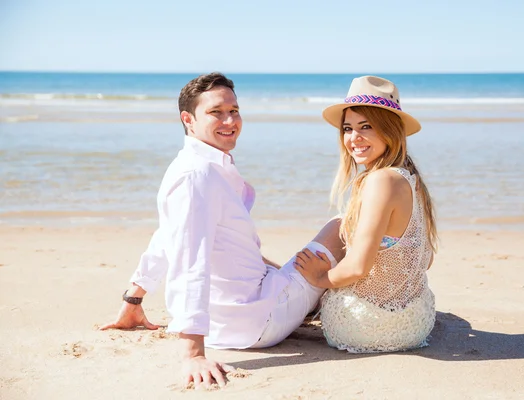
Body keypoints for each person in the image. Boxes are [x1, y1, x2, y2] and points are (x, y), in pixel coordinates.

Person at [100, 72, 345, 388]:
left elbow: (168, 237)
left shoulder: (194, 165)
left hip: (224, 323)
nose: (230, 120)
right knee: (342, 225)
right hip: (258, 321)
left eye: (235, 110)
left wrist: (134, 299)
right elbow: (191, 262)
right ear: (188, 120)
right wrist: (192, 353)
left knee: (262, 260)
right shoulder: (198, 175)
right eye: (216, 112)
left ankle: (319, 298)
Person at [294, 75, 437, 353]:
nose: (353, 138)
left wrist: (321, 278)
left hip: (365, 328)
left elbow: (358, 267)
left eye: (366, 127)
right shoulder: (410, 179)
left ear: (390, 131)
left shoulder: (382, 180)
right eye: (347, 128)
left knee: (336, 228)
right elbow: (425, 259)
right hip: (415, 323)